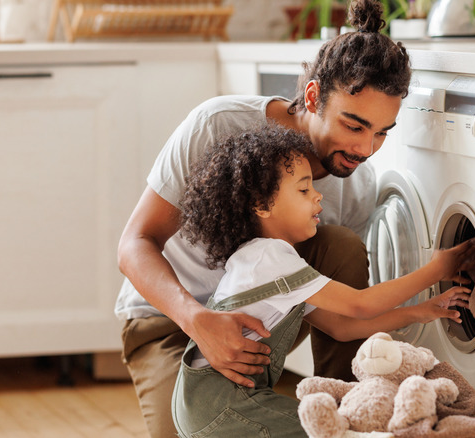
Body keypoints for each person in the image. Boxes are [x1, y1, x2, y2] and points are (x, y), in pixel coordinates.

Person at [116, 0, 414, 436]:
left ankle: (342, 411)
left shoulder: (356, 184)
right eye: (354, 126)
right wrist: (198, 321)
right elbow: (134, 244)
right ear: (312, 97)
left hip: (261, 321)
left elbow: (338, 314)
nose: (365, 149)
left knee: (342, 248)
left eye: (382, 132)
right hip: (168, 319)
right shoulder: (218, 125)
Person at [172, 124, 475, 437]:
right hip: (223, 405)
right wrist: (438, 269)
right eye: (303, 190)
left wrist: (422, 311)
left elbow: (341, 328)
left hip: (201, 404)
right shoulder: (270, 258)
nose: (318, 195)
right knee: (334, 430)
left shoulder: (263, 261)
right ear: (262, 206)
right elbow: (359, 305)